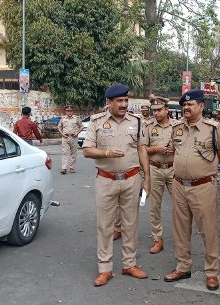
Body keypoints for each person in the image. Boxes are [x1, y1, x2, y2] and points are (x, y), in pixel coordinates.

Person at [82, 83, 151, 287]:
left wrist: (146, 177)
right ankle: (105, 269)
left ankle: (129, 264)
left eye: (126, 100)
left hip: (131, 179)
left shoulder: (137, 122)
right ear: (109, 102)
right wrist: (107, 153)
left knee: (131, 224)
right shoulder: (96, 122)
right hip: (106, 179)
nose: (124, 104)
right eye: (119, 101)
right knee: (105, 226)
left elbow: (142, 150)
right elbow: (87, 150)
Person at [163, 89, 220, 291]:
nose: (186, 107)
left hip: (203, 186)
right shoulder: (177, 129)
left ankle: (212, 273)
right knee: (180, 229)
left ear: (201, 106)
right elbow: (173, 151)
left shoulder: (213, 129)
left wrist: (202, 170)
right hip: (179, 185)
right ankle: (183, 266)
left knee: (208, 230)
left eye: (191, 104)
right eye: (184, 105)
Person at [145, 95, 178, 254]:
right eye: (154, 111)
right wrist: (156, 149)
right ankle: (158, 239)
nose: (156, 113)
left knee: (179, 205)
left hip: (173, 169)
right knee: (154, 206)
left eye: (159, 110)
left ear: (167, 110)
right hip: (155, 169)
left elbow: (185, 147)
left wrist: (175, 149)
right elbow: (142, 149)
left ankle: (180, 238)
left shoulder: (178, 126)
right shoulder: (148, 126)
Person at [58, 105, 82, 174]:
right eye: (68, 111)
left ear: (73, 111)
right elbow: (59, 127)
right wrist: (62, 134)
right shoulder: (63, 118)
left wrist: (77, 133)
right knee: (65, 152)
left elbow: (81, 126)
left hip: (73, 137)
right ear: (65, 111)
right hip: (65, 137)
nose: (69, 112)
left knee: (73, 153)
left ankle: (72, 167)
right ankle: (64, 168)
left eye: (70, 111)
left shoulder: (76, 118)